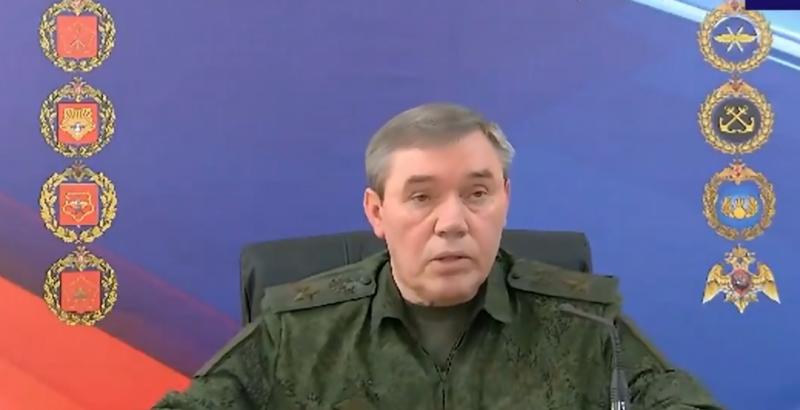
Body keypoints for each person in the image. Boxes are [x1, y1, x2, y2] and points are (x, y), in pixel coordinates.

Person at [152, 103, 722, 409]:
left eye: (477, 193)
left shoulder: (582, 324)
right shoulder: (297, 333)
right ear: (377, 212)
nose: (452, 222)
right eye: (422, 197)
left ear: (505, 199)